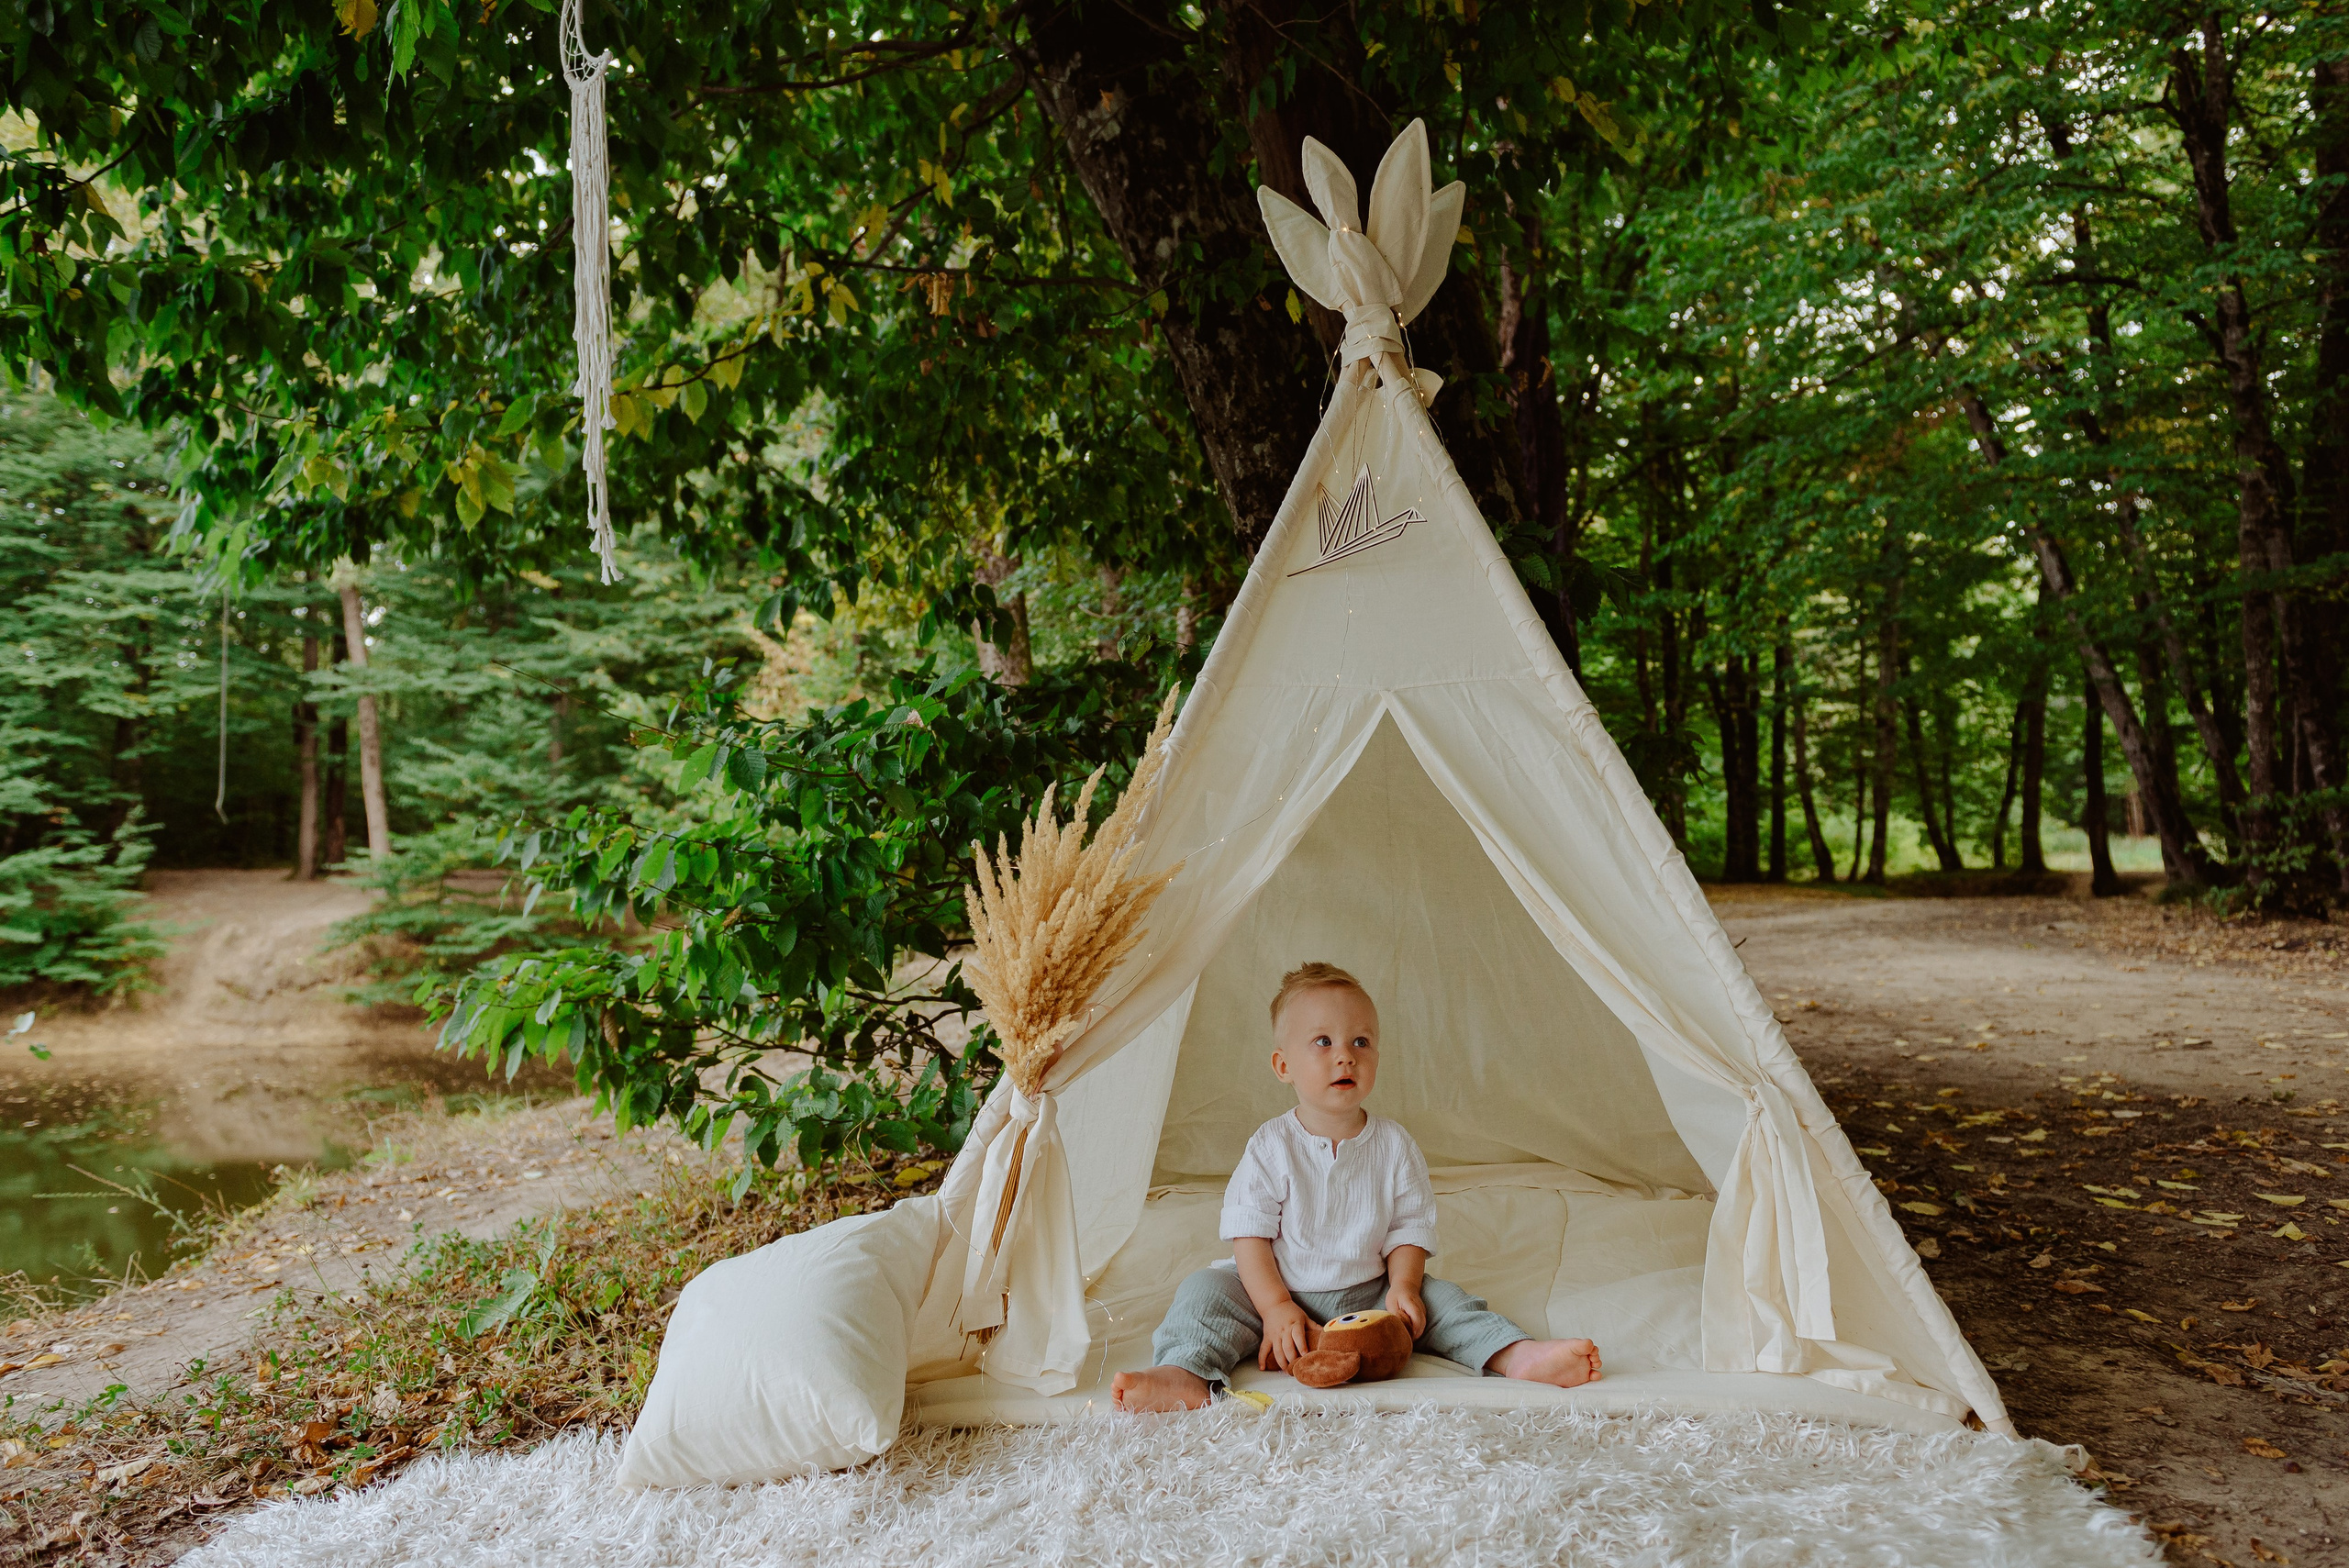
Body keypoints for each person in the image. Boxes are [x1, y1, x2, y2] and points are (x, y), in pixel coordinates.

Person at [1113, 961, 1603, 1412]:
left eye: (1361, 1042)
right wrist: (1277, 1307)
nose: (1345, 1057)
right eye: (1323, 1042)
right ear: (1284, 1066)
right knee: (1204, 1293)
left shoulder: (1394, 1144)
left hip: (1371, 1294)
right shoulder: (1270, 1145)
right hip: (1276, 1291)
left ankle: (1514, 1354)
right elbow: (1250, 1235)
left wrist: (1404, 1286)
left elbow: (1409, 1228)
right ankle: (1185, 1372)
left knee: (1445, 1302)